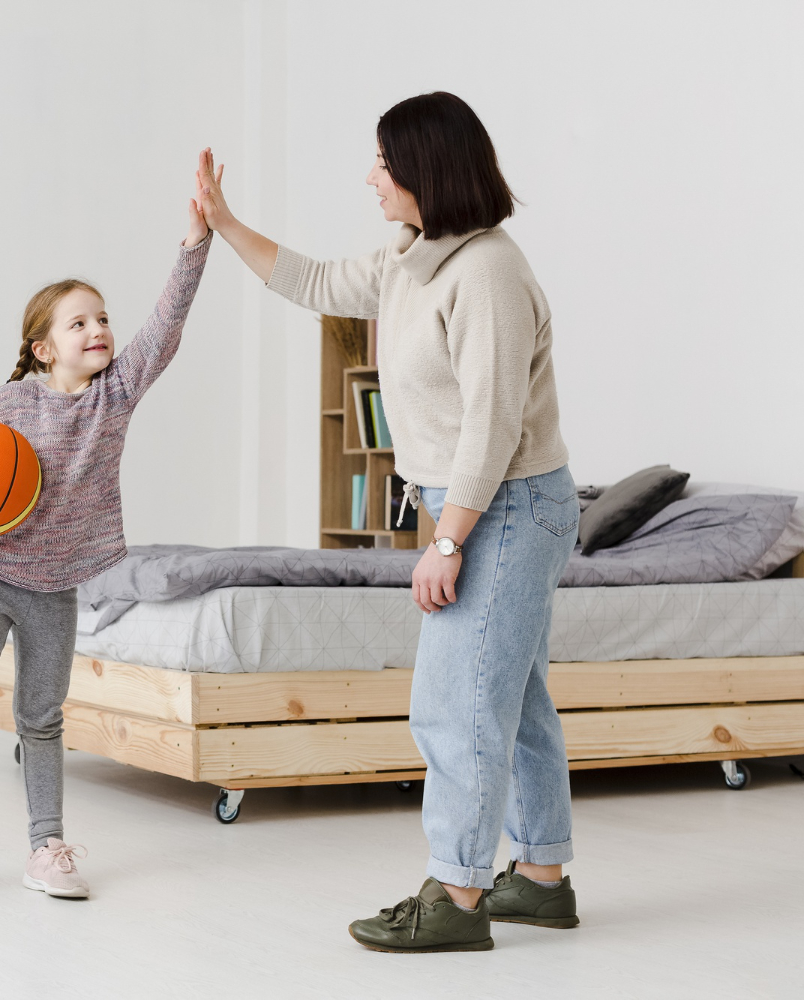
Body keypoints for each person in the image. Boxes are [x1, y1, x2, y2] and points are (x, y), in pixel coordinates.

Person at [196, 92, 580, 952]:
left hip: (505, 506)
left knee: (455, 706)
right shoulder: (414, 256)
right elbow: (315, 281)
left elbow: (493, 422)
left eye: (382, 160)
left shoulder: (486, 272)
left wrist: (447, 541)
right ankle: (543, 878)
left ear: (425, 170)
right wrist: (224, 223)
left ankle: (457, 894)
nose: (370, 175)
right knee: (512, 701)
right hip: (483, 503)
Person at [0, 185, 212, 903]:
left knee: (42, 717)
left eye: (101, 318)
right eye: (77, 322)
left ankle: (46, 847)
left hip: (55, 585)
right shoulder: (9, 406)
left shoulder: (114, 396)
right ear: (42, 347)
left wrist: (194, 245)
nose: (97, 329)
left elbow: (167, 324)